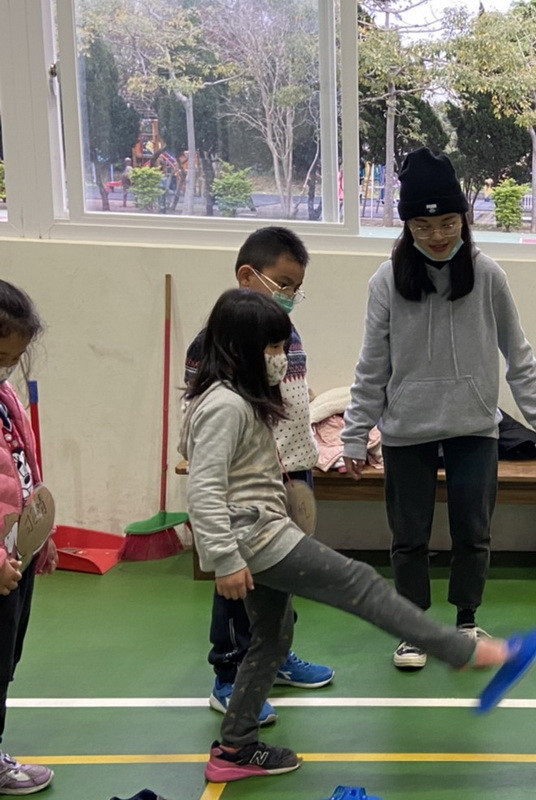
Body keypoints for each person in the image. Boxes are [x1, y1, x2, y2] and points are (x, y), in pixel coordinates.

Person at [182, 289, 513, 783]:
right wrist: (224, 559)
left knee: (272, 638)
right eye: (272, 350)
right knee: (360, 583)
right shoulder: (225, 406)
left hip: (259, 530)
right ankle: (461, 653)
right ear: (241, 349)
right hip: (257, 538)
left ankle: (235, 749)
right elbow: (203, 487)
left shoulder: (238, 400)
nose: (279, 360)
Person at [342, 147, 536, 670]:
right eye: (423, 224)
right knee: (408, 536)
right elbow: (372, 364)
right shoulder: (386, 281)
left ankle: (465, 620)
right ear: (406, 225)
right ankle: (413, 628)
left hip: (475, 425)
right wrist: (354, 434)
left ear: (464, 217)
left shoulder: (489, 277)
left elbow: (517, 352)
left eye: (447, 222)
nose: (437, 235)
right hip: (406, 428)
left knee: (473, 531)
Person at [184, 227, 333, 726]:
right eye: (283, 284)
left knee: (279, 577)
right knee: (237, 587)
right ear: (248, 276)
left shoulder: (287, 336)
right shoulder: (213, 344)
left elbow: (292, 405)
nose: (290, 296)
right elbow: (206, 424)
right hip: (243, 493)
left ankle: (274, 657)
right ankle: (229, 675)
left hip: (289, 476)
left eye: (296, 288)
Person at [0, 280, 55, 795]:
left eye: (13, 359)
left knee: (6, 657)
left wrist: (41, 531)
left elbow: (22, 467)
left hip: (17, 557)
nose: (7, 367)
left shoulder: (7, 398)